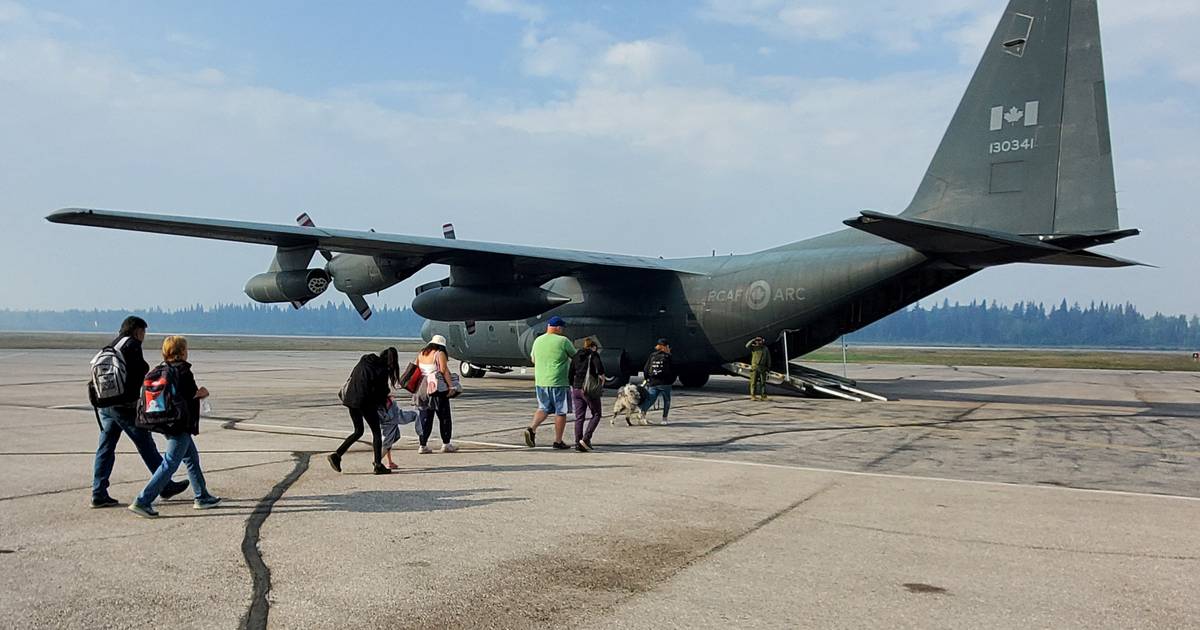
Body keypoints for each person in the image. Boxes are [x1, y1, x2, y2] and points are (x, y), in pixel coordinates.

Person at [90, 316, 189, 508]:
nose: (144, 336)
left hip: (105, 405)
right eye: (143, 332)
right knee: (146, 444)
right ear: (137, 331)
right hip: (124, 406)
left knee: (106, 447)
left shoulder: (110, 346)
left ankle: (98, 492)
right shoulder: (132, 345)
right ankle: (165, 485)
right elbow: (139, 372)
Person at [128, 336, 220, 518]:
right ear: (181, 351)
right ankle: (143, 500)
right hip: (179, 424)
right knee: (170, 463)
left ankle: (202, 496)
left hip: (164, 421)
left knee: (191, 458)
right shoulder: (183, 371)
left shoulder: (159, 370)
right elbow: (191, 395)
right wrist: (203, 392)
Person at [329, 347, 399, 475]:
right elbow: (382, 391)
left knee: (358, 431)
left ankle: (337, 455)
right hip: (366, 402)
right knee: (376, 433)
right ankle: (378, 465)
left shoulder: (364, 360)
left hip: (351, 400)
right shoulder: (382, 370)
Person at [523, 315, 576, 449]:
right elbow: (575, 357)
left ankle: (532, 428)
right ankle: (558, 441)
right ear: (558, 328)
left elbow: (533, 359)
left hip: (541, 381)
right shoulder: (563, 341)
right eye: (562, 327)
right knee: (561, 411)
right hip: (559, 381)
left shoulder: (538, 340)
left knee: (544, 408)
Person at [414, 335, 458, 454]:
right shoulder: (439, 354)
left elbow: (416, 367)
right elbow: (444, 370)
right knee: (444, 416)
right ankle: (446, 444)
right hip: (437, 389)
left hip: (422, 388)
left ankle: (422, 445)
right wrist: (451, 386)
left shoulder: (421, 353)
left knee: (425, 417)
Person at [569, 337, 605, 451]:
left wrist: (574, 385)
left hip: (576, 389)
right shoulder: (593, 355)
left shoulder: (576, 356)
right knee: (596, 414)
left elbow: (570, 373)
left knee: (579, 417)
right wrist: (601, 382)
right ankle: (586, 439)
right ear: (593, 347)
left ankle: (577, 442)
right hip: (588, 389)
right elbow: (600, 370)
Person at [639, 339, 675, 423]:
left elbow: (646, 369)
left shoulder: (652, 355)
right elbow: (673, 370)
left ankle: (642, 414)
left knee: (650, 399)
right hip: (665, 383)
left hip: (653, 382)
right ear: (665, 347)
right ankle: (664, 419)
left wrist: (647, 379)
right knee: (667, 400)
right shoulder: (668, 356)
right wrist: (671, 381)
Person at [746, 336, 771, 401]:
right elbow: (747, 345)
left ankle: (763, 396)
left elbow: (768, 358)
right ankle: (753, 396)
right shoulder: (754, 347)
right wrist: (753, 339)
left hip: (763, 367)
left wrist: (768, 367)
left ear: (763, 341)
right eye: (757, 340)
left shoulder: (765, 348)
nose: (758, 341)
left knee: (763, 383)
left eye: (760, 340)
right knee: (753, 382)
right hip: (755, 367)